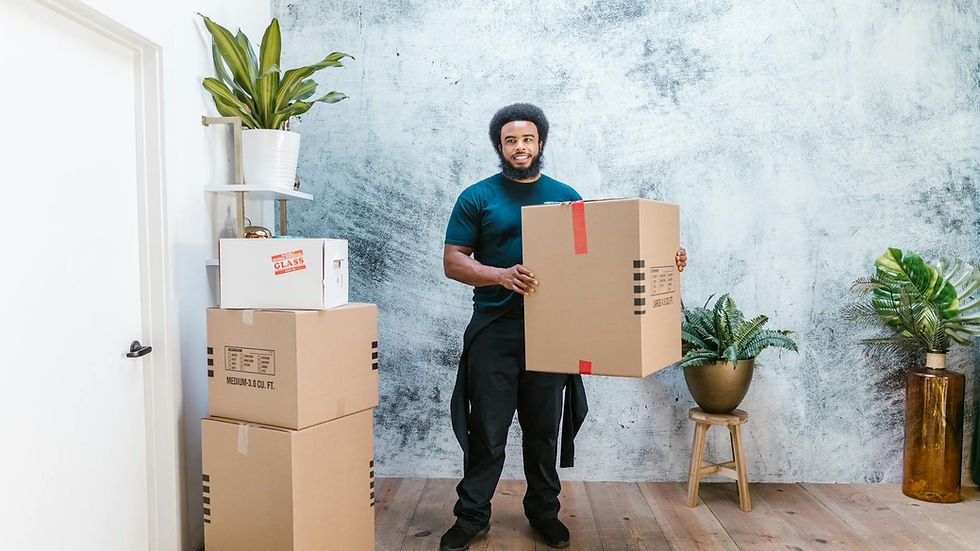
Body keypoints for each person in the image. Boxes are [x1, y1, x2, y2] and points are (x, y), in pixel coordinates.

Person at [441, 103, 687, 551]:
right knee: (488, 433)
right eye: (511, 140)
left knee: (542, 431)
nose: (520, 147)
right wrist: (499, 275)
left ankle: (544, 514)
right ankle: (472, 516)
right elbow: (453, 261)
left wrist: (665, 258)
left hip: (553, 331)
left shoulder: (566, 198)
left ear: (540, 143)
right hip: (494, 330)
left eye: (528, 139)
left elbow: (605, 257)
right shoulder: (477, 197)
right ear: (500, 145)